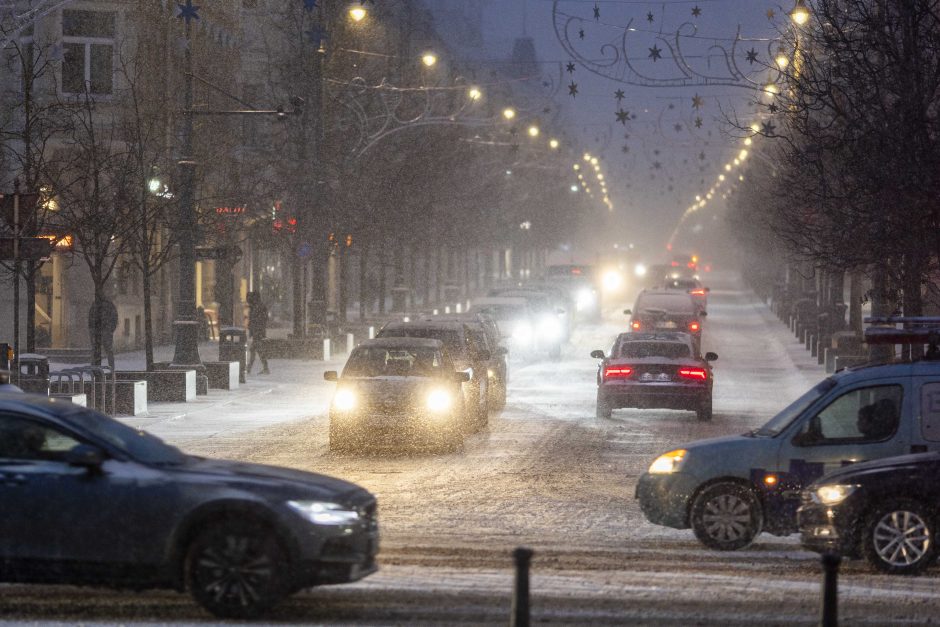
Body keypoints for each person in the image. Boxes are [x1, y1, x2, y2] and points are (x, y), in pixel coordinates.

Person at [88, 297, 118, 369]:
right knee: (108, 351)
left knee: (96, 350)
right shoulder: (109, 305)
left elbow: (90, 318)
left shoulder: (96, 305)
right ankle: (111, 368)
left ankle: (94, 368)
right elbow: (114, 318)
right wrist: (110, 329)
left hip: (99, 331)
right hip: (104, 331)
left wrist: (92, 330)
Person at [246, 291, 270, 375]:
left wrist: (254, 329)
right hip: (258, 331)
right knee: (256, 350)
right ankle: (250, 368)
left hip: (258, 332)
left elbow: (257, 320)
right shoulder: (257, 306)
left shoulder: (258, 307)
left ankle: (250, 368)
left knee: (256, 350)